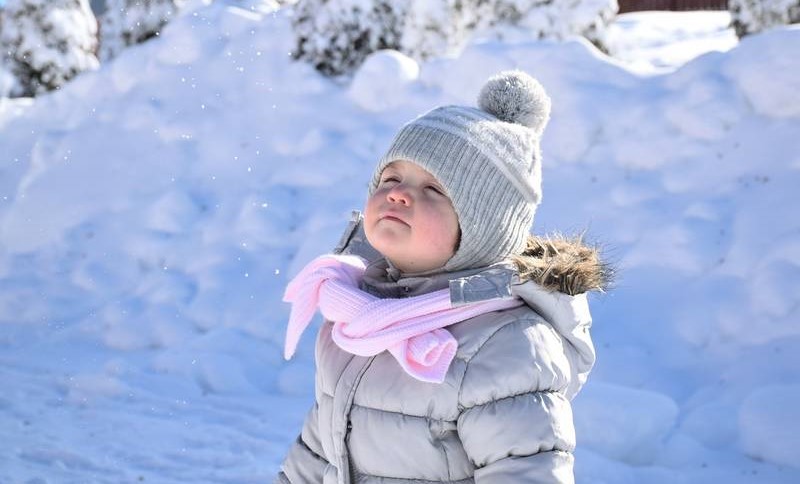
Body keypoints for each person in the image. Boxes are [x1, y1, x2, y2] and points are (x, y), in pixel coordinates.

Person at [276, 70, 608, 483]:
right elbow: (319, 447)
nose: (398, 193)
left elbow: (526, 471)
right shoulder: (360, 314)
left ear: (482, 228)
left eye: (434, 189)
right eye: (391, 178)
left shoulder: (505, 342)